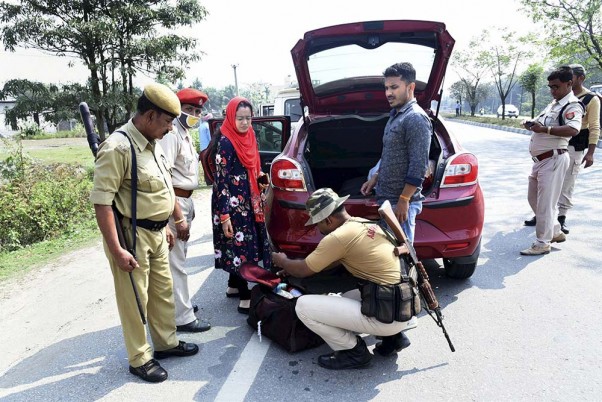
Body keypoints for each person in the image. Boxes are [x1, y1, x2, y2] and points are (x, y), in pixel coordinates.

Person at [90, 83, 198, 383]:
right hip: (131, 236)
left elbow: (159, 189)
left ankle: (166, 343)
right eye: (166, 123)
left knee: (162, 292)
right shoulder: (118, 148)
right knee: (135, 298)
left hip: (157, 234)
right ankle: (140, 358)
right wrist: (117, 249)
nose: (169, 129)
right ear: (150, 116)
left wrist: (167, 223)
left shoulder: (152, 145)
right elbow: (103, 203)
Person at [272, 188, 417, 370]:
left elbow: (303, 270)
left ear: (328, 220)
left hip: (387, 314)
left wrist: (282, 261)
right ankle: (394, 338)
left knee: (303, 306)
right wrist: (294, 267)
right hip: (402, 307)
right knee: (347, 296)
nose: (318, 229)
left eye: (318, 224)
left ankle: (354, 352)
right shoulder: (364, 224)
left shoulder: (338, 238)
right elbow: (326, 261)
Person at [157, 88, 211, 333]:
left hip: (185, 200)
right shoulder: (171, 135)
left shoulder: (185, 133)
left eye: (198, 111)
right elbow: (164, 176)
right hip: (175, 202)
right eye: (189, 110)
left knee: (179, 259)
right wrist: (178, 217)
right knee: (175, 262)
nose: (194, 115)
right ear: (177, 110)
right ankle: (183, 317)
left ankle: (182, 305)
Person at [211, 96, 271, 314]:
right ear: (230, 117)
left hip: (249, 198)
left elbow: (255, 164)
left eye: (248, 118)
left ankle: (233, 285)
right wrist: (224, 215)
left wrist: (261, 178)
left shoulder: (250, 136)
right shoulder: (226, 142)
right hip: (231, 202)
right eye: (240, 118)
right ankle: (245, 294)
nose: (245, 123)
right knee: (240, 246)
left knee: (243, 243)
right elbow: (221, 181)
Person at [360, 62, 432, 244]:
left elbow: (419, 166)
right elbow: (390, 155)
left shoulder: (415, 118)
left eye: (394, 87)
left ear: (410, 87)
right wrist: (375, 177)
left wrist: (404, 200)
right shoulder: (396, 115)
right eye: (386, 88)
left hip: (399, 205)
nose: (388, 93)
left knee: (402, 258)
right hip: (388, 201)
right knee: (390, 257)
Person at [525, 64, 601, 234]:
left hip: (574, 144)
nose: (569, 79)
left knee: (566, 184)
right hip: (555, 144)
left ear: (579, 78)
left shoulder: (590, 99)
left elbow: (594, 126)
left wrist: (590, 152)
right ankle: (546, 219)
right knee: (546, 188)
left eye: (571, 77)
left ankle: (560, 218)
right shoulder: (559, 98)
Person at [520, 67, 583, 256]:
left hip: (553, 159)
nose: (552, 90)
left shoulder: (572, 105)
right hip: (540, 161)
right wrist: (529, 123)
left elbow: (573, 129)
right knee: (534, 198)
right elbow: (541, 122)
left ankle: (542, 243)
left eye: (556, 86)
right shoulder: (554, 104)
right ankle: (555, 230)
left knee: (546, 203)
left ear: (569, 83)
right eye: (550, 87)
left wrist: (545, 130)